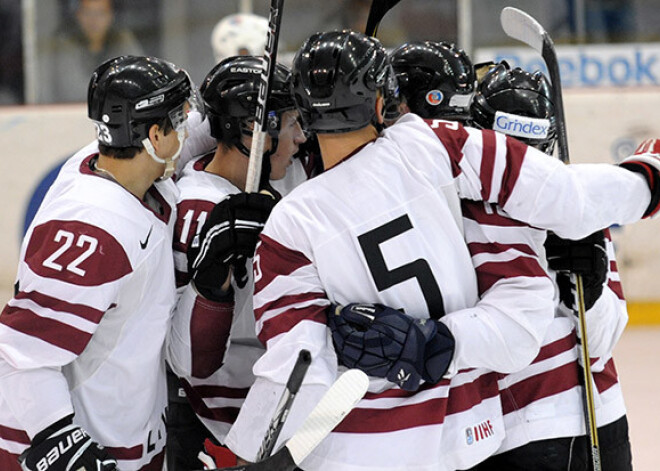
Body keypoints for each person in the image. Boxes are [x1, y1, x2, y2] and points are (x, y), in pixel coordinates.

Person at [223, 30, 657, 470]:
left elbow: (298, 366)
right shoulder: (434, 145)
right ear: (381, 102)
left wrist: (253, 456)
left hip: (364, 453)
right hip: (471, 437)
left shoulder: (288, 223)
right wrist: (649, 179)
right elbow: (568, 196)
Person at [0, 55, 198, 471]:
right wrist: (59, 441)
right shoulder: (91, 229)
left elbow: (195, 132)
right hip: (84, 447)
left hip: (127, 433)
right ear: (155, 135)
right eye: (179, 120)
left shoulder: (114, 162)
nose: (187, 127)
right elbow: (21, 356)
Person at [466, 61, 632, 470]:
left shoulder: (577, 203)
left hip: (603, 417)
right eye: (508, 149)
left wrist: (590, 294)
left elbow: (605, 339)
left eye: (532, 150)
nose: (522, 165)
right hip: (513, 431)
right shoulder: (459, 214)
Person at [165, 55, 308, 470]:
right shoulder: (196, 207)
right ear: (252, 130)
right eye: (292, 124)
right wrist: (212, 280)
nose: (301, 138)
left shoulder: (279, 176)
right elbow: (189, 361)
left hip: (273, 406)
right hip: (219, 425)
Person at [40, 0, 144, 103]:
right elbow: (71, 91)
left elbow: (138, 81)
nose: (94, 20)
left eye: (100, 13)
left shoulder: (122, 40)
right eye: (87, 12)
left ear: (111, 15)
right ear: (78, 15)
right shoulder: (65, 43)